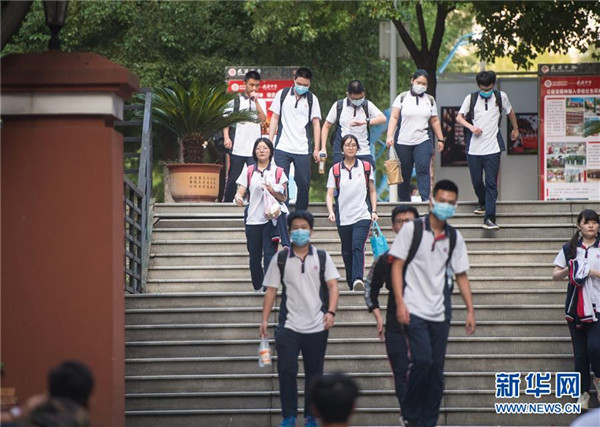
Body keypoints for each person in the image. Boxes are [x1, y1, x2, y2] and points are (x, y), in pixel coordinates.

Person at [389, 180, 476, 427]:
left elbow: (461, 275)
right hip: (414, 308)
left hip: (440, 311)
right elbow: (396, 266)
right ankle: (410, 413)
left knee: (436, 370)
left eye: (451, 203)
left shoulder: (454, 237)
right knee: (422, 361)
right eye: (442, 201)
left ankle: (429, 421)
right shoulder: (412, 230)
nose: (446, 205)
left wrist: (470, 310)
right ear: (432, 201)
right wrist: (400, 303)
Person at [259, 210, 340, 427]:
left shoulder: (322, 257)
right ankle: (289, 416)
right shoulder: (281, 259)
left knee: (315, 375)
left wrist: (331, 312)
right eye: (295, 228)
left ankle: (311, 416)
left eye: (304, 227)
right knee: (286, 371)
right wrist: (264, 320)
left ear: (311, 230)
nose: (300, 232)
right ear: (289, 231)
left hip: (317, 325)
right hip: (289, 326)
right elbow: (271, 290)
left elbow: (333, 286)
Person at [364, 205, 419, 413]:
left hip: (425, 326)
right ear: (393, 227)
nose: (404, 226)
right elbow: (370, 287)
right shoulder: (385, 259)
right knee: (401, 373)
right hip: (396, 327)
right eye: (400, 222)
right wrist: (377, 314)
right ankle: (409, 417)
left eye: (409, 221)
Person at [455, 70, 519, 230]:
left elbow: (510, 112)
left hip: (493, 148)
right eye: (483, 88)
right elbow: (459, 117)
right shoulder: (471, 98)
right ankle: (483, 202)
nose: (486, 91)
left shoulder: (500, 96)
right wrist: (471, 127)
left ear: (493, 84)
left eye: (489, 88)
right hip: (474, 149)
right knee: (477, 181)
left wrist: (515, 128)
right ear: (478, 85)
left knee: (491, 183)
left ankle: (489, 218)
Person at [552, 209, 600, 410]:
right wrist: (570, 269)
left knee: (595, 347)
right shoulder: (569, 248)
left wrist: (589, 271)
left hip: (598, 307)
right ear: (579, 225)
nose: (591, 226)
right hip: (575, 307)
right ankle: (583, 393)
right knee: (580, 353)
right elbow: (555, 275)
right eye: (586, 222)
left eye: (594, 222)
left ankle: (598, 377)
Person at [235, 138, 289, 292]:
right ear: (254, 152)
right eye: (258, 148)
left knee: (270, 255)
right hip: (253, 220)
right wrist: (238, 197)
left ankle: (268, 287)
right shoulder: (249, 170)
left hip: (271, 220)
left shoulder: (278, 172)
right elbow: (240, 191)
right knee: (254, 257)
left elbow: (284, 198)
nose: (261, 151)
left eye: (265, 148)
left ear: (271, 151)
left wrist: (272, 190)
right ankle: (258, 286)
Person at [326, 134, 378, 291]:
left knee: (357, 246)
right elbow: (329, 194)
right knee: (347, 252)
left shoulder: (366, 167)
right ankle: (351, 282)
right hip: (343, 217)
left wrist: (373, 211)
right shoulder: (335, 169)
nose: (350, 148)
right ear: (342, 148)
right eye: (347, 145)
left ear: (358, 148)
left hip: (362, 215)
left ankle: (357, 279)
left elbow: (372, 191)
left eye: (354, 145)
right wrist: (331, 211)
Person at [386, 69, 445, 202]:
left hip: (423, 140)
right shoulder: (402, 98)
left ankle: (425, 200)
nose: (421, 86)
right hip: (403, 141)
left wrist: (441, 139)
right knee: (404, 174)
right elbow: (394, 117)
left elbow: (434, 120)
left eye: (424, 84)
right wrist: (389, 135)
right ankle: (403, 202)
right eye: (418, 82)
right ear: (412, 81)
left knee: (423, 169)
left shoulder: (430, 100)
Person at [269, 67, 322, 211]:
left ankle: (301, 214)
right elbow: (274, 118)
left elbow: (316, 124)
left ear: (310, 84)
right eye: (299, 84)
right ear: (294, 80)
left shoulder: (312, 99)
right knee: (280, 183)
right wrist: (269, 142)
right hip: (282, 147)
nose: (302, 87)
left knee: (303, 182)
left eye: (305, 85)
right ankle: (282, 213)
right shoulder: (282, 94)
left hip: (302, 148)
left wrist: (317, 149)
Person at [221, 70, 267, 202]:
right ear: (244, 83)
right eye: (251, 85)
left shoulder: (261, 102)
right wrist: (226, 137)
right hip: (238, 147)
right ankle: (227, 204)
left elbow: (263, 119)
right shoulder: (235, 101)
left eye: (257, 85)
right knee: (233, 178)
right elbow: (226, 120)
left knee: (254, 179)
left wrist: (256, 102)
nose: (254, 88)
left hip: (254, 149)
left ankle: (253, 204)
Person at [321, 80, 386, 166]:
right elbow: (326, 126)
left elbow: (383, 118)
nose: (358, 100)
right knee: (340, 174)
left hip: (363, 151)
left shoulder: (367, 105)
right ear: (348, 94)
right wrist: (323, 148)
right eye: (355, 99)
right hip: (342, 152)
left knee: (369, 171)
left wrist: (365, 122)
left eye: (361, 97)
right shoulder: (339, 106)